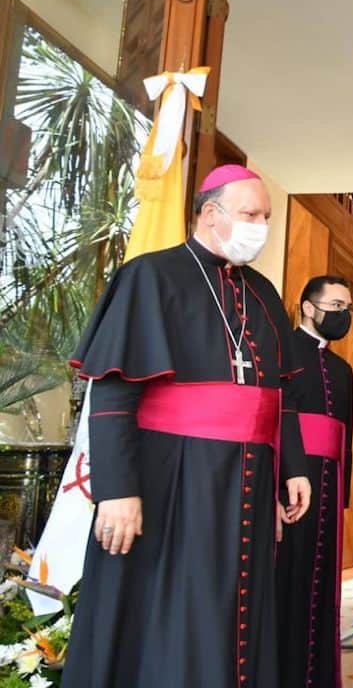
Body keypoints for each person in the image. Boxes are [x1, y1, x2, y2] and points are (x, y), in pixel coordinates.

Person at [63, 165, 312, 688]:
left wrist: (294, 465)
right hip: (171, 478)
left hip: (246, 478)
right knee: (173, 609)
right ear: (209, 213)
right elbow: (112, 391)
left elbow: (280, 394)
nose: (260, 226)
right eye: (249, 214)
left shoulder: (263, 292)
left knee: (235, 607)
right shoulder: (151, 275)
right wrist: (117, 491)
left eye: (265, 216)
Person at [276, 275, 353, 688]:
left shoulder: (343, 368)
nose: (344, 316)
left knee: (322, 586)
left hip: (328, 482)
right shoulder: (282, 349)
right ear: (308, 307)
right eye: (337, 306)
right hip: (290, 481)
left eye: (348, 309)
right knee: (286, 582)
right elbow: (273, 421)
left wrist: (344, 494)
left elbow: (347, 432)